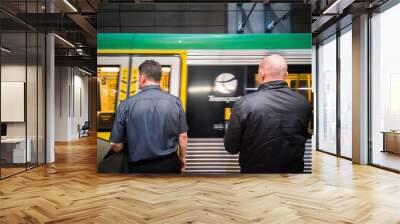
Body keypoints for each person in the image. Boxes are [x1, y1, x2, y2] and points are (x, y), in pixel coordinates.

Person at [224, 55, 312, 173]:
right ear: (286, 75)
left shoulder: (244, 103)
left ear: (261, 73)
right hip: (293, 177)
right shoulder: (304, 103)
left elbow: (231, 147)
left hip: (253, 179)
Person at [109, 60, 188, 173]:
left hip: (138, 167)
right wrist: (182, 158)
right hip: (169, 164)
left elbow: (115, 144)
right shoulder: (176, 102)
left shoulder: (126, 104)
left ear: (143, 77)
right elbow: (183, 136)